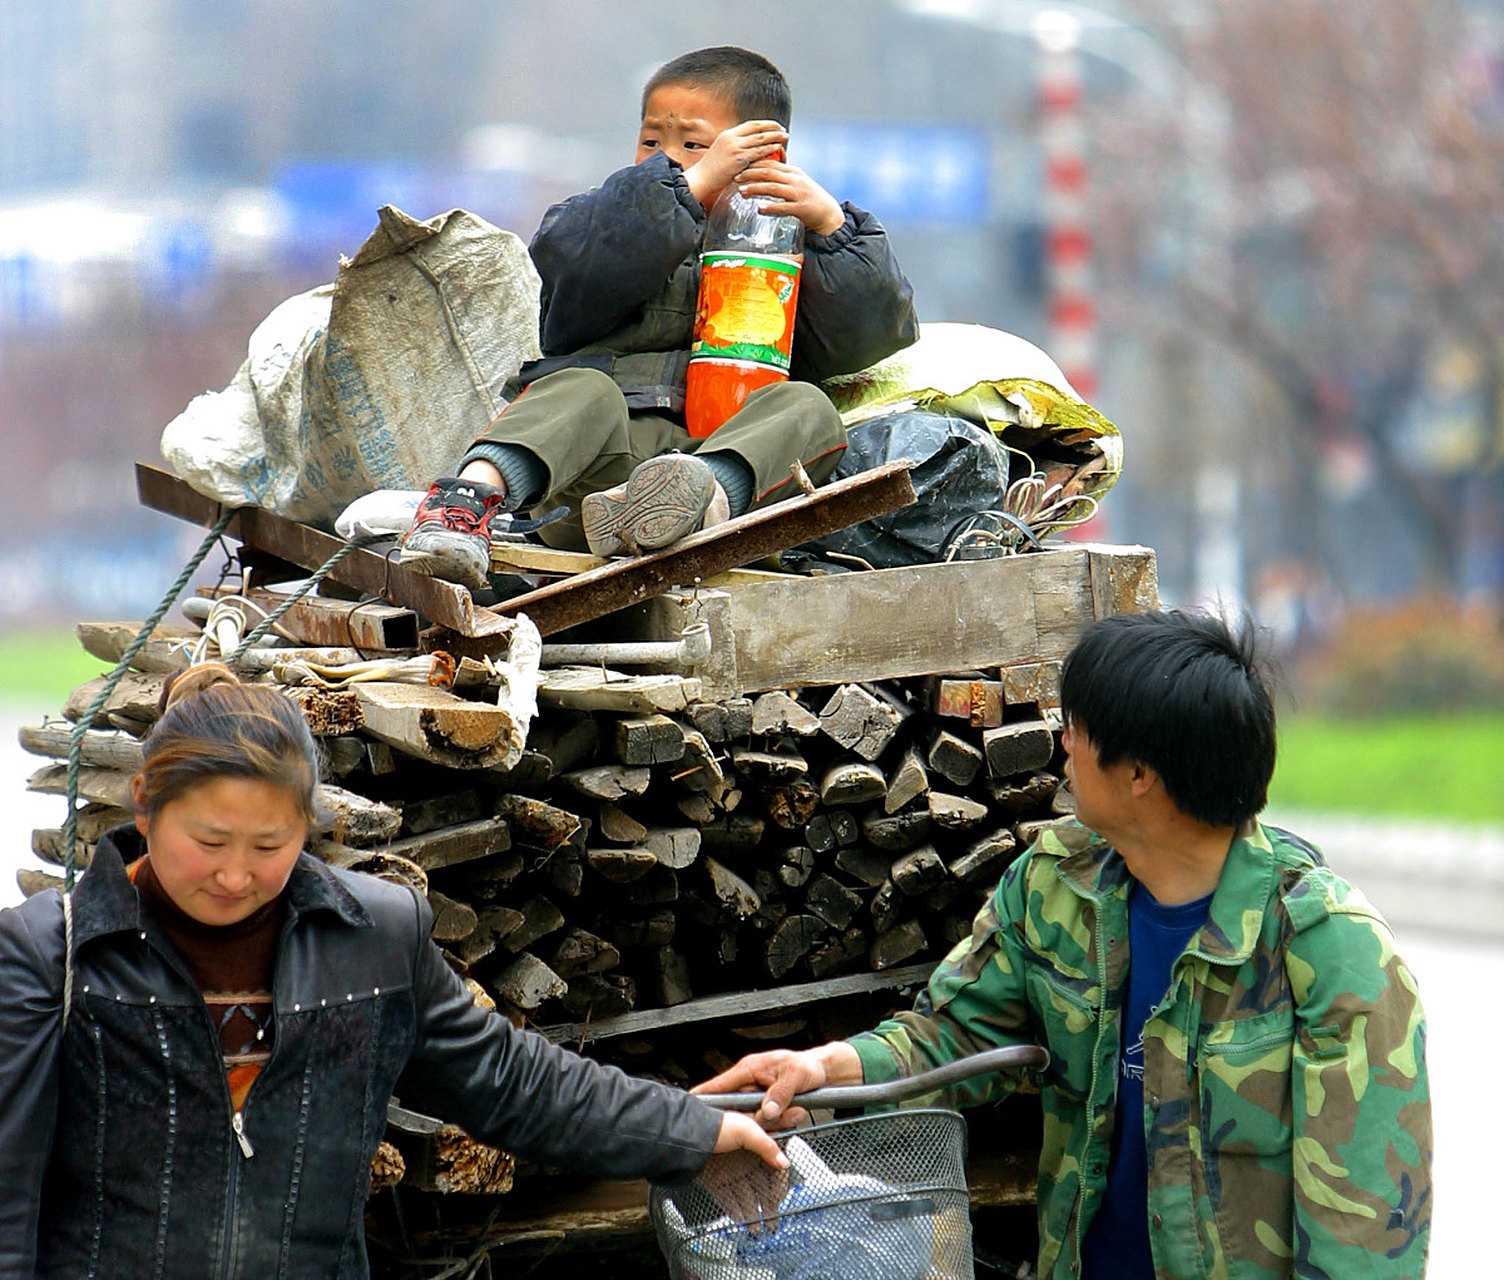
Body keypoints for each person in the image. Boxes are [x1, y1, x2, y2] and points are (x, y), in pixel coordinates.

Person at [697, 610, 1433, 1279]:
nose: (1064, 742)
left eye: (1079, 727)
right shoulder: (1056, 886)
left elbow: (1363, 1244)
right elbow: (955, 1032)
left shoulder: (1328, 950)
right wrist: (823, 1066)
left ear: (1141, 774)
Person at [0, 663, 782, 1277]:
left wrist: (694, 1130)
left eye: (269, 847)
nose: (235, 875)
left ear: (307, 826)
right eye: (208, 842)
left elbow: (515, 1085)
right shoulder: (53, 958)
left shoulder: (373, 937)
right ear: (144, 807)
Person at [399, 45, 918, 586]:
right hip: (594, 474)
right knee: (579, 388)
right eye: (652, 141)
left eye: (693, 144)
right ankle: (462, 508)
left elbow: (868, 334)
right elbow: (578, 270)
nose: (665, 158)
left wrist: (833, 228)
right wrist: (687, 189)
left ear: (765, 156)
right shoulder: (605, 217)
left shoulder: (794, 245)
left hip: (723, 473)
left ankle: (698, 510)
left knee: (808, 406)